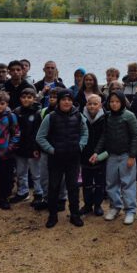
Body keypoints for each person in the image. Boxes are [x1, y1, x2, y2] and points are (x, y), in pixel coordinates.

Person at [36, 89, 88, 228]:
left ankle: (75, 215)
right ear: (58, 101)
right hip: (56, 159)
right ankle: (52, 216)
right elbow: (40, 137)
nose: (67, 102)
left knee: (73, 187)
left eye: (69, 99)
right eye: (64, 99)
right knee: (54, 187)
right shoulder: (50, 117)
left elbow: (84, 133)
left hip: (73, 158)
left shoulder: (78, 116)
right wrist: (51, 150)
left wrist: (80, 146)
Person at [93, 91, 137, 225]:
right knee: (111, 183)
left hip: (126, 155)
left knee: (127, 184)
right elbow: (104, 136)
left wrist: (132, 156)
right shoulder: (107, 117)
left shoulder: (129, 116)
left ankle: (130, 210)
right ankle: (115, 206)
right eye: (112, 101)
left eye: (117, 101)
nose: (114, 104)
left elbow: (135, 136)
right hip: (112, 155)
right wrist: (97, 152)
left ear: (122, 102)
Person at [10, 88, 43, 204]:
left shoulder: (38, 112)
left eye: (29, 97)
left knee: (36, 173)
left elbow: (38, 132)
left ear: (34, 99)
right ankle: (22, 192)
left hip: (33, 147)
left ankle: (39, 193)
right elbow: (13, 129)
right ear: (20, 99)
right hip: (20, 147)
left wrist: (37, 147)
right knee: (20, 171)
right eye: (24, 97)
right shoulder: (17, 112)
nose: (26, 100)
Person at [80, 94, 108, 217]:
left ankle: (98, 204)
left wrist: (100, 154)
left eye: (95, 104)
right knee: (86, 183)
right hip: (84, 154)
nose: (92, 106)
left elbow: (105, 137)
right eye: (90, 103)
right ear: (86, 104)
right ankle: (87, 204)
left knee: (99, 183)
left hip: (100, 155)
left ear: (100, 105)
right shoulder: (81, 117)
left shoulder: (105, 118)